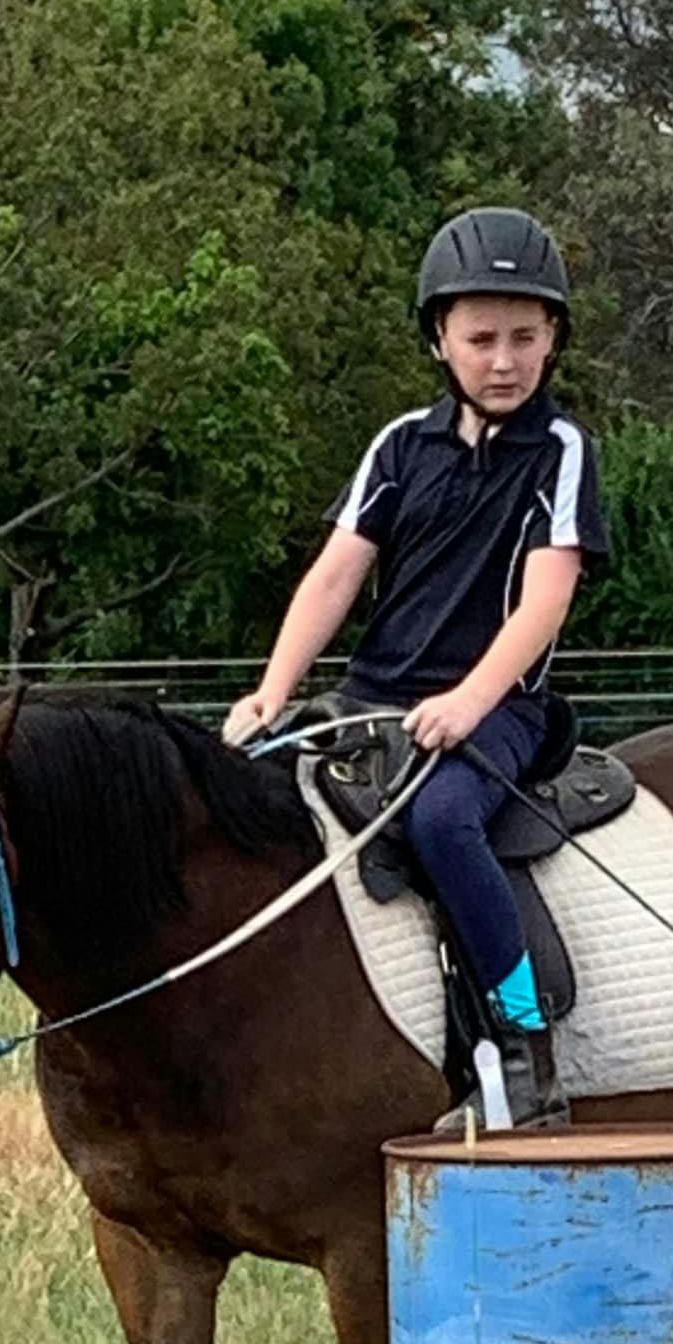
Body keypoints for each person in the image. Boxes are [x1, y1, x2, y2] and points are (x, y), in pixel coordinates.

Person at [223, 206, 608, 1129]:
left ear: (554, 338)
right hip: (372, 699)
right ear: (440, 339)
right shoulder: (400, 445)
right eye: (481, 338)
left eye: (525, 336)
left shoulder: (561, 451)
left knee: (443, 823)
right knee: (239, 796)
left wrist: (472, 700)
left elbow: (546, 599)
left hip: (498, 709)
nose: (504, 359)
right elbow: (335, 577)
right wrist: (271, 695)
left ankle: (522, 1050)